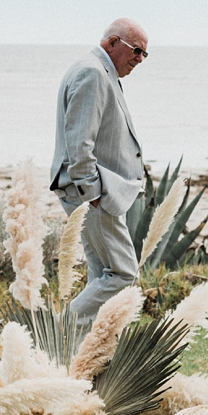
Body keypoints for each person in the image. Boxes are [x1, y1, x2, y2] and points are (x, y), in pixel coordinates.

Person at [49, 18, 150, 325]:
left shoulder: (99, 70)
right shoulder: (92, 72)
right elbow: (79, 142)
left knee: (101, 275)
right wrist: (92, 194)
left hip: (94, 191)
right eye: (136, 51)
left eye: (145, 54)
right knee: (122, 273)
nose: (139, 59)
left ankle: (76, 355)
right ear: (113, 43)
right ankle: (56, 332)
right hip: (92, 192)